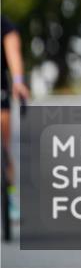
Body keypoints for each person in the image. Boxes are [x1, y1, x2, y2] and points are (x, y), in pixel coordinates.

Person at [2, 16, 30, 217]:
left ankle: (10, 196)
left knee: (4, 144)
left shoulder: (4, 25)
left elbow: (13, 54)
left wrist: (18, 81)